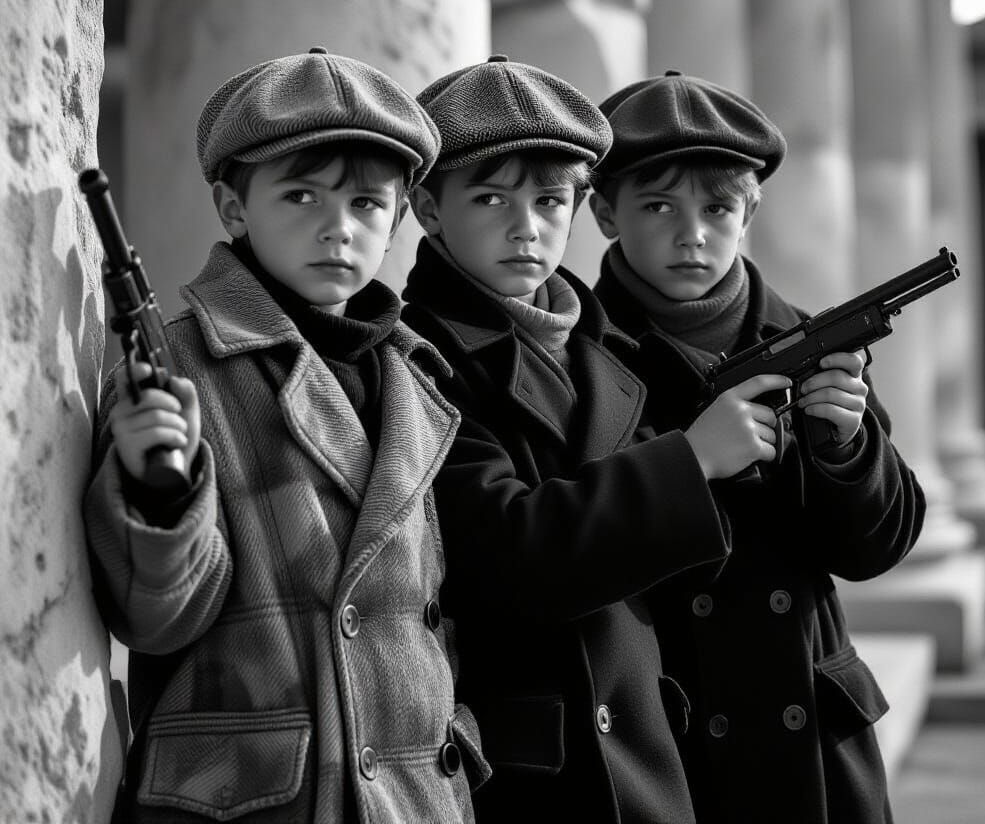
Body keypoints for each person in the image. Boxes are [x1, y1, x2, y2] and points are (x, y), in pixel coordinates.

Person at [84, 47, 489, 823]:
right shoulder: (183, 366)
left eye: (367, 205)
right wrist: (156, 489)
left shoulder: (416, 376)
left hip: (415, 797)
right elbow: (158, 616)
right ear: (235, 209)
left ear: (401, 216)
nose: (337, 228)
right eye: (301, 196)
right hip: (267, 799)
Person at [401, 54, 791, 824]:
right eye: (490, 197)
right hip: (524, 771)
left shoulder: (604, 347)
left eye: (551, 200)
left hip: (642, 756)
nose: (527, 228)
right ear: (427, 207)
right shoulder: (420, 354)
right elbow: (511, 553)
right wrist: (691, 461)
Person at [588, 69, 926, 824]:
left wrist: (845, 448)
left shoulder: (807, 338)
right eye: (658, 206)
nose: (692, 233)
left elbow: (879, 546)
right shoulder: (575, 355)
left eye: (718, 207)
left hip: (807, 741)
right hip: (663, 740)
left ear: (750, 211)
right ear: (606, 213)